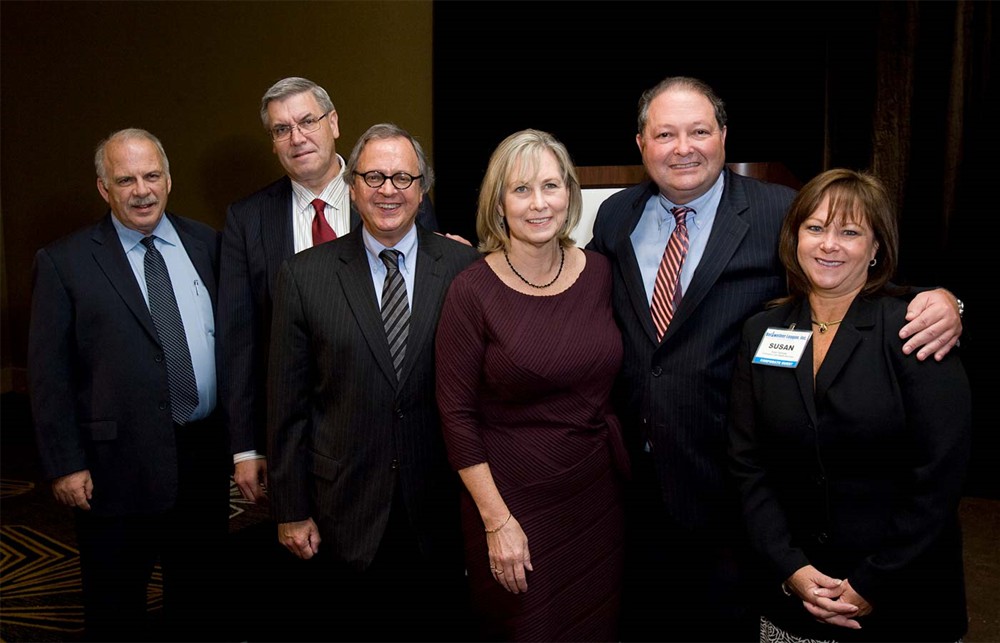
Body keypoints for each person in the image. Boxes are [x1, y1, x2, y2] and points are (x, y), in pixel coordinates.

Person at [585, 76, 964, 641]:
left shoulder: (783, 212)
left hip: (743, 487)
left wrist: (950, 301)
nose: (682, 147)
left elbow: (849, 274)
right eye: (665, 133)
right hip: (639, 481)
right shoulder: (615, 216)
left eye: (699, 131)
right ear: (641, 143)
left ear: (724, 137)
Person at [728, 168, 971, 642]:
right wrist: (790, 567)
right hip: (796, 596)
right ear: (794, 237)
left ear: (877, 247)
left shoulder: (913, 327)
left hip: (904, 597)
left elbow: (941, 474)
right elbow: (745, 463)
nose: (828, 245)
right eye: (815, 228)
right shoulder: (764, 330)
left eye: (850, 231)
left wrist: (872, 580)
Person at [266, 123, 480, 641]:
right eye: (375, 177)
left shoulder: (464, 267)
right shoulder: (303, 275)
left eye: (404, 177)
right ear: (353, 186)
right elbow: (286, 405)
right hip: (344, 506)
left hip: (439, 503)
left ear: (422, 188)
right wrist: (291, 511)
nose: (389, 190)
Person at [27, 129, 230, 641]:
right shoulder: (63, 261)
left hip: (202, 456)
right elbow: (48, 375)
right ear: (103, 188)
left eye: (152, 176)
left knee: (202, 594)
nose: (142, 190)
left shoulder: (209, 243)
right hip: (113, 467)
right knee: (116, 603)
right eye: (125, 180)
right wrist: (65, 462)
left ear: (168, 179)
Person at [436, 129, 628, 641]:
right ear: (498, 204)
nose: (539, 203)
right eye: (521, 190)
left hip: (596, 496)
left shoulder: (603, 274)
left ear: (570, 194)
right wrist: (496, 521)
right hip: (511, 504)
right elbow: (455, 415)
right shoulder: (471, 290)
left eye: (551, 186)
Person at [218, 76, 439, 503]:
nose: (297, 137)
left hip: (398, 434)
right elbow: (239, 339)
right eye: (281, 130)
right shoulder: (247, 220)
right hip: (303, 436)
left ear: (334, 123)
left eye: (307, 121)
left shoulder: (397, 195)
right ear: (273, 142)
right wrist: (246, 446)